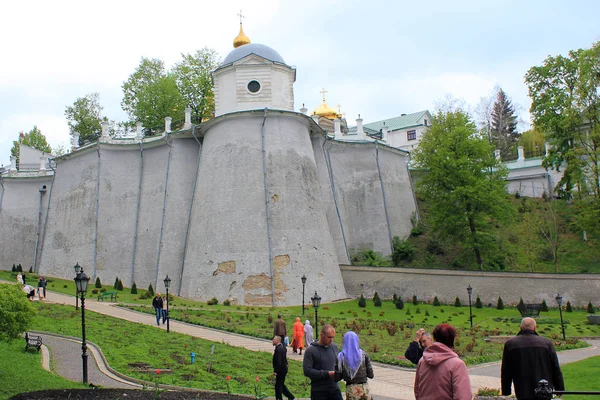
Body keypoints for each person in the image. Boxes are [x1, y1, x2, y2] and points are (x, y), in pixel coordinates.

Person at [501, 317, 564, 400]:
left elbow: (506, 369)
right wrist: (559, 388)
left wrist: (506, 390)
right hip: (544, 388)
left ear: (520, 327)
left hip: (522, 388)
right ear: (535, 327)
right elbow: (555, 366)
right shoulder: (546, 343)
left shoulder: (511, 344)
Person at [414, 323, 472, 400]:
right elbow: (463, 397)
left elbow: (417, 391)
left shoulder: (422, 360)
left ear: (434, 339)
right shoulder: (457, 365)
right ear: (453, 340)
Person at [303, 324, 343, 400]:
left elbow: (338, 365)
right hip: (319, 391)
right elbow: (307, 371)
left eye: (333, 337)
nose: (331, 340)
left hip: (334, 389)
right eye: (329, 337)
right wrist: (327, 374)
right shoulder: (311, 350)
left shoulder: (334, 347)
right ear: (322, 335)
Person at [337, 331, 374, 400]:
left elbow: (337, 377)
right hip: (364, 390)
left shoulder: (341, 357)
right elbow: (371, 375)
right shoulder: (363, 355)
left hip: (351, 391)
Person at [272, 336, 295, 400]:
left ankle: (280, 398)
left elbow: (278, 361)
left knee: (278, 385)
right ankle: (290, 396)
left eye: (274, 339)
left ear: (278, 340)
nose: (272, 340)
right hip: (283, 369)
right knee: (280, 384)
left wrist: (276, 371)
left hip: (281, 369)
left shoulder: (279, 349)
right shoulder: (281, 347)